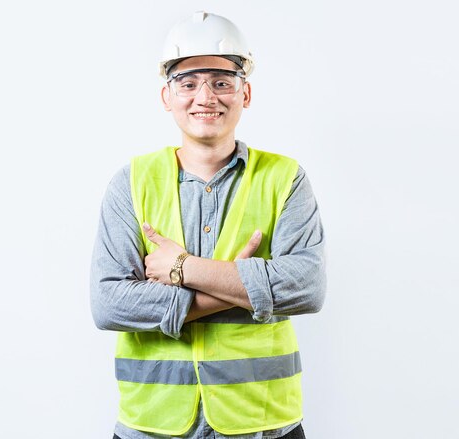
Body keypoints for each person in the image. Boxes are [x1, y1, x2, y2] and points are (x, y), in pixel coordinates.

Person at [90, 11, 326, 439]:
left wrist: (183, 269)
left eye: (221, 81)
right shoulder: (132, 182)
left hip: (263, 423)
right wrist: (241, 285)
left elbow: (308, 287)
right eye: (188, 82)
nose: (205, 96)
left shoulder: (285, 178)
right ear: (167, 96)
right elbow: (109, 303)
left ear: (245, 93)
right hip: (152, 423)